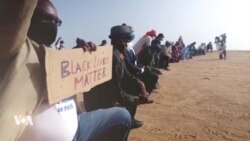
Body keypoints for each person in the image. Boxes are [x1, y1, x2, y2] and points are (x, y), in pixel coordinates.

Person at [0, 0, 131, 141]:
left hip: (77, 125)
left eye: (56, 21)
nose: (52, 24)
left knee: (123, 117)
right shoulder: (14, 53)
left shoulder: (57, 55)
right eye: (46, 18)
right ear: (28, 18)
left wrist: (78, 56)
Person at [85, 24, 145, 129]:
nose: (128, 42)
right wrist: (135, 100)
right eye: (128, 39)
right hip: (101, 104)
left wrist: (139, 83)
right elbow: (116, 93)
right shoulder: (113, 57)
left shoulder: (118, 54)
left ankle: (129, 120)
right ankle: (126, 121)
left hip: (107, 97)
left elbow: (126, 74)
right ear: (121, 40)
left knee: (134, 86)